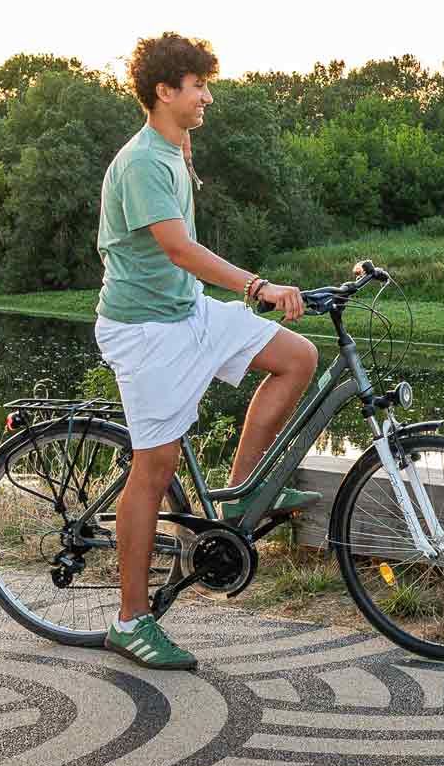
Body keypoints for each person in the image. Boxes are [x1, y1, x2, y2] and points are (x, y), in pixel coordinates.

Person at [93, 33, 319, 673]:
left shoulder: (171, 148)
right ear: (165, 91)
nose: (208, 97)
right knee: (155, 467)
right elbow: (179, 249)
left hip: (188, 312)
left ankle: (241, 496)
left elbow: (185, 251)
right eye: (198, 86)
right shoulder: (140, 163)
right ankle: (131, 621)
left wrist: (188, 143)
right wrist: (257, 286)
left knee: (296, 357)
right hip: (146, 331)